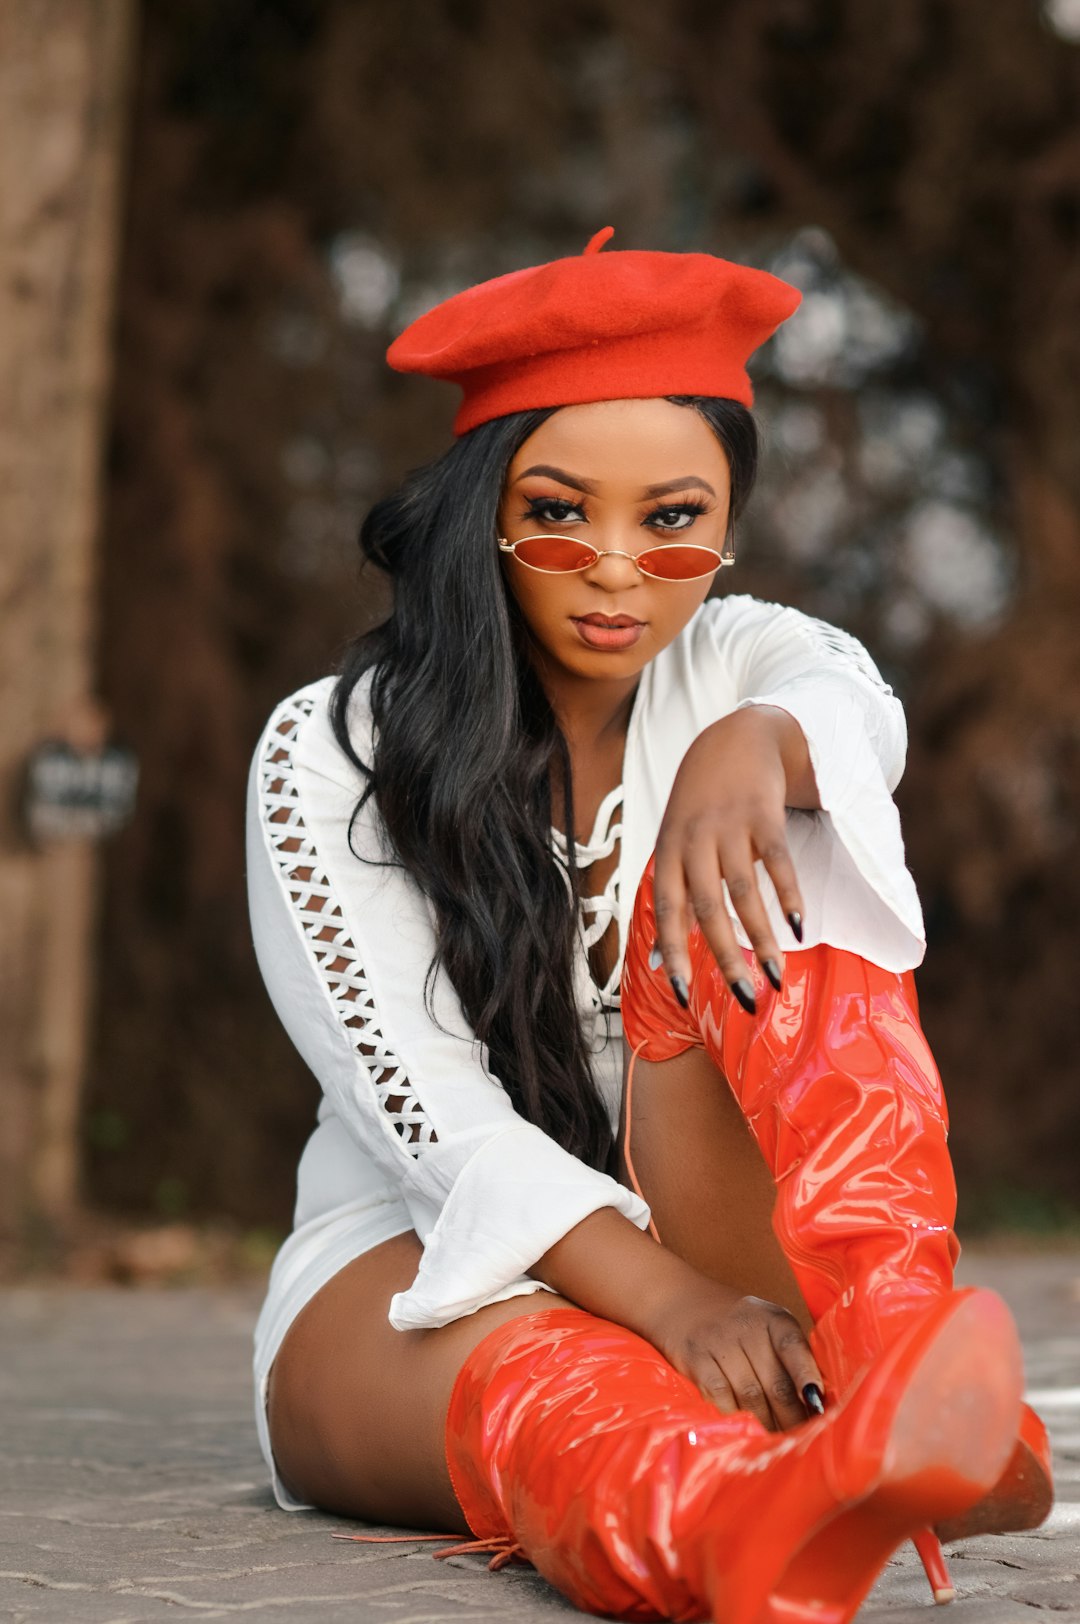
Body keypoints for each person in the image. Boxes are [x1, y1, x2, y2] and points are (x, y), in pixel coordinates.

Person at [246, 229, 1047, 1621]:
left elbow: (854, 706)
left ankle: (895, 1348)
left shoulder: (738, 657)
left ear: (724, 525)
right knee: (569, 1386)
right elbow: (439, 1127)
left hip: (717, 1219)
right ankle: (757, 1517)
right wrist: (677, 1310)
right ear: (483, 512)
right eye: (560, 511)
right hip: (428, 1258)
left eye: (673, 520)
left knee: (800, 824)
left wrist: (755, 742)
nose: (618, 568)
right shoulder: (334, 748)